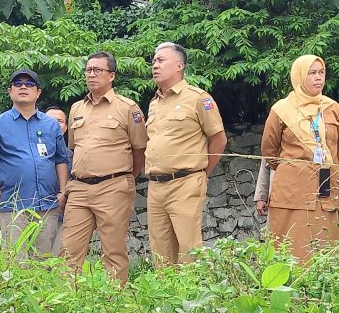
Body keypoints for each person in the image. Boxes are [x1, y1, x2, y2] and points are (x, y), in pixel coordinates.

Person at [60, 52, 148, 283]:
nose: (91, 74)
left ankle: (115, 303)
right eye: (88, 70)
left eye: (97, 70)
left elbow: (140, 150)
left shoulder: (128, 108)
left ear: (112, 76)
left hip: (113, 186)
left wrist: (125, 178)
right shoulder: (77, 108)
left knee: (113, 250)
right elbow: (74, 149)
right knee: (68, 250)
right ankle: (65, 302)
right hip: (79, 188)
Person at [261, 54, 339, 262]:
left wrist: (324, 165)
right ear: (299, 76)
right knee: (290, 249)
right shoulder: (281, 110)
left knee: (326, 248)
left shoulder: (333, 109)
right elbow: (270, 151)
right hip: (291, 190)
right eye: (312, 73)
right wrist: (294, 169)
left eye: (321, 73)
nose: (318, 78)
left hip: (326, 188)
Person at [145, 42, 227, 266]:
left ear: (180, 65)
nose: (155, 65)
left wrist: (201, 173)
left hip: (186, 182)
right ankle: (167, 296)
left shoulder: (198, 98)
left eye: (161, 60)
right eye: (153, 61)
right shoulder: (154, 103)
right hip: (156, 185)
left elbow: (219, 139)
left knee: (188, 248)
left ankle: (191, 297)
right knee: (160, 250)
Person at [0, 69, 69, 257]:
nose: (23, 87)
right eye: (18, 84)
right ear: (10, 91)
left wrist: (63, 192)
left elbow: (60, 159)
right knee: (13, 261)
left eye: (29, 84)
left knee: (43, 262)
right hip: (11, 204)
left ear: (38, 92)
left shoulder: (50, 125)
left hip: (47, 204)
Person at [44, 105, 72, 256]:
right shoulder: (28, 151)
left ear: (66, 127)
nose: (54, 124)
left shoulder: (74, 155)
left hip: (64, 216)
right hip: (33, 211)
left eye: (59, 121)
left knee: (57, 259)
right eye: (50, 120)